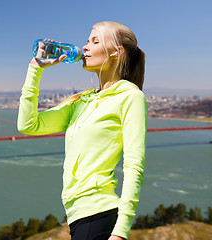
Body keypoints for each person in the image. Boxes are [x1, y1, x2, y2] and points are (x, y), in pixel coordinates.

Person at [17, 21, 147, 240]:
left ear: (117, 52)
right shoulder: (81, 101)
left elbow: (134, 165)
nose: (85, 47)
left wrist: (121, 232)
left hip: (99, 215)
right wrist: (35, 69)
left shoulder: (130, 97)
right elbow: (28, 124)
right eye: (87, 41)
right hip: (78, 218)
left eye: (95, 41)